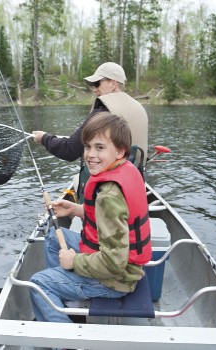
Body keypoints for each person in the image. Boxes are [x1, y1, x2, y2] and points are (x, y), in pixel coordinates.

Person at [29, 112, 152, 323]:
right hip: (119, 264)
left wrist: (74, 261)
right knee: (52, 238)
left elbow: (114, 263)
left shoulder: (108, 196)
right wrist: (75, 210)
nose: (90, 154)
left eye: (100, 147)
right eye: (87, 147)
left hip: (115, 280)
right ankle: (67, 292)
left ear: (120, 151)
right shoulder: (127, 169)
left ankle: (66, 342)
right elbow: (115, 219)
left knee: (38, 284)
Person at [32, 62, 149, 200]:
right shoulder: (138, 107)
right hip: (134, 181)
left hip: (108, 187)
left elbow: (69, 150)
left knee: (77, 180)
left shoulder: (103, 113)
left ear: (113, 83)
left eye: (97, 83)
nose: (94, 89)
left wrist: (44, 138)